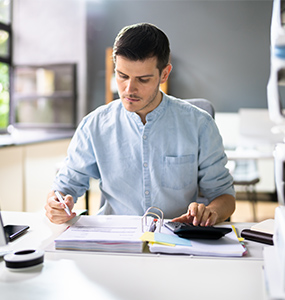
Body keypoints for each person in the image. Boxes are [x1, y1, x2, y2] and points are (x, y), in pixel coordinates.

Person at [45, 23, 235, 226]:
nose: (129, 89)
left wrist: (210, 212)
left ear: (164, 74)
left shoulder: (199, 125)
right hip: (115, 239)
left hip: (176, 239)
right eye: (122, 76)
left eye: (143, 79)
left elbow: (224, 196)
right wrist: (55, 204)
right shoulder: (94, 125)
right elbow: (64, 187)